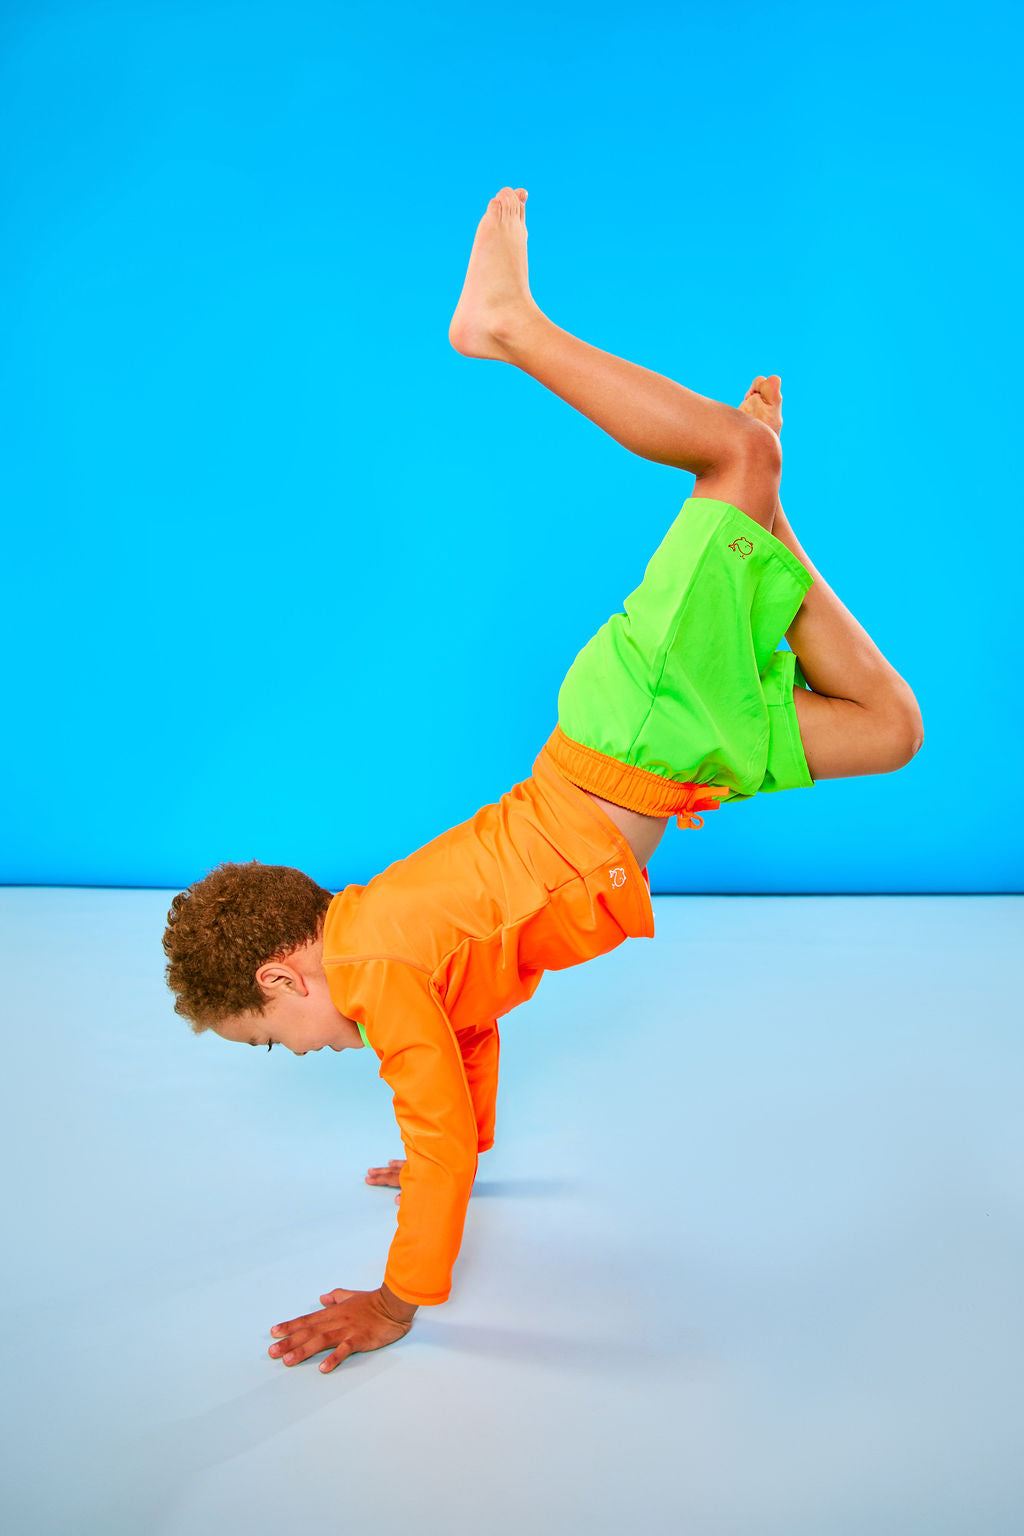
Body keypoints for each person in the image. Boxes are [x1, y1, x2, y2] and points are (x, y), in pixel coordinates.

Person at [162, 187, 924, 1375]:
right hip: (664, 761)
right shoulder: (390, 951)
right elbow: (464, 1050)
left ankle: (510, 327)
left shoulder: (374, 967)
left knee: (738, 453)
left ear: (281, 975)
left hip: (634, 732)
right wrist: (453, 1155)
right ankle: (756, 531)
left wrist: (397, 1302)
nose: (296, 1053)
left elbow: (433, 1117)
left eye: (266, 1037)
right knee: (887, 731)